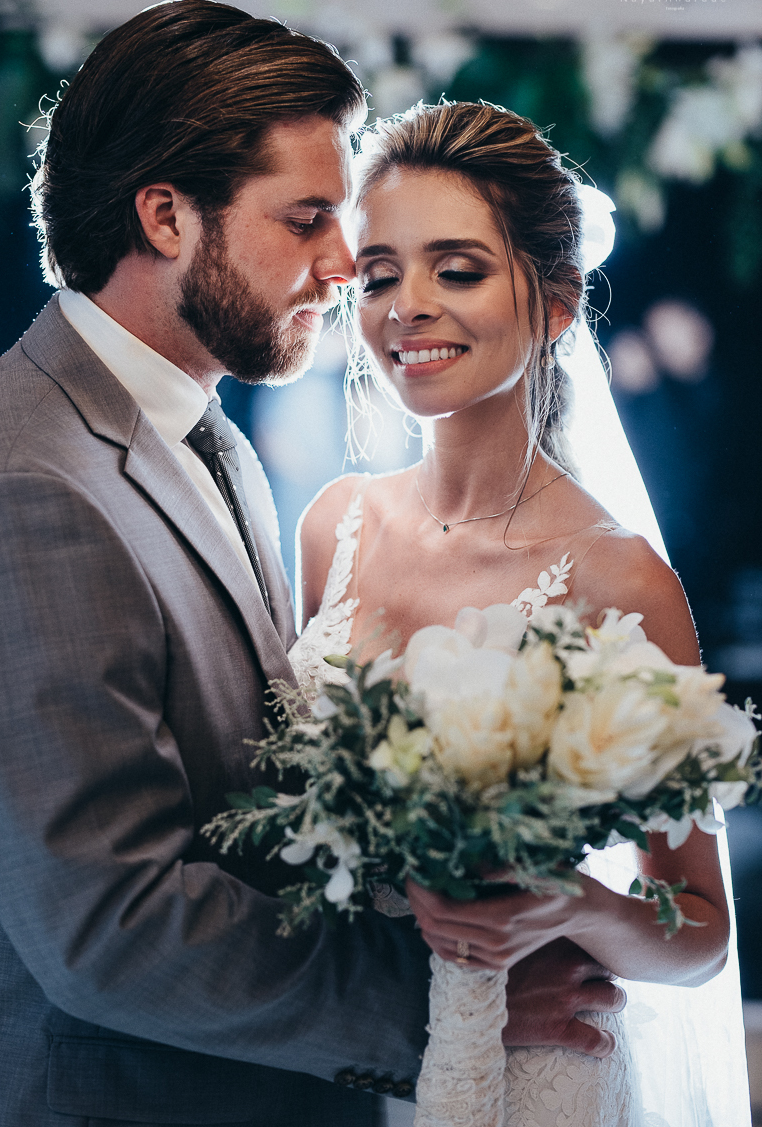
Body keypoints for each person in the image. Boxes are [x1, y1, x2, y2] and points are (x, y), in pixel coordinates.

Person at [0, 5, 624, 1127]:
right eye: (308, 218)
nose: (342, 265)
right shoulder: (28, 487)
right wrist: (450, 1002)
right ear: (167, 216)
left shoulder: (202, 435)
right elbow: (107, 926)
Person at [295, 101, 746, 1125]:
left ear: (553, 306)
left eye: (456, 270)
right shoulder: (332, 527)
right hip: (355, 1063)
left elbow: (703, 930)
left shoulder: (620, 583)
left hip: (543, 1072)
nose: (407, 306)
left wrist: (577, 906)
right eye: (378, 276)